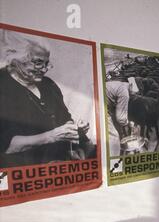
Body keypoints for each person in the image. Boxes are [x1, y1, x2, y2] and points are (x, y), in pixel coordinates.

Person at [0, 32, 93, 168]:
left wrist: (76, 131)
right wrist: (52, 136)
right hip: (22, 172)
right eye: (38, 63)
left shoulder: (48, 85)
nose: (44, 69)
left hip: (56, 166)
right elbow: (5, 145)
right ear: (16, 59)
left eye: (46, 64)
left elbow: (64, 119)